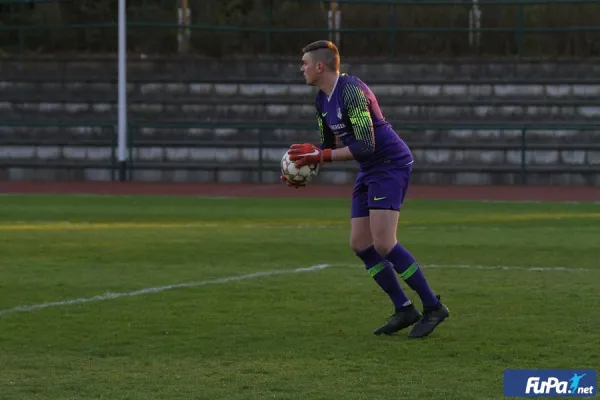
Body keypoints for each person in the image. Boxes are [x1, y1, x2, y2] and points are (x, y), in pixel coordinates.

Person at [281, 40, 449, 338]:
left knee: (385, 243)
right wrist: (304, 168)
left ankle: (433, 306)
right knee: (360, 244)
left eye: (304, 63)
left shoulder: (351, 92)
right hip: (370, 167)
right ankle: (404, 308)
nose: (301, 69)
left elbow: (366, 145)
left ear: (320, 66)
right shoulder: (321, 99)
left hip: (390, 163)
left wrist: (319, 157)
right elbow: (330, 148)